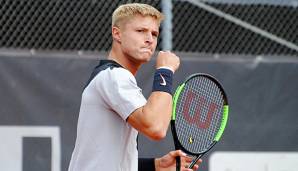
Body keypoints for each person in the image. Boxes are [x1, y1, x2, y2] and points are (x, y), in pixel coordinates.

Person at [68, 3, 202, 171]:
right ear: (117, 34)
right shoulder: (114, 76)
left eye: (154, 33)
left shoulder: (110, 77)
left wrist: (156, 166)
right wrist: (165, 71)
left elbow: (106, 160)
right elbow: (156, 127)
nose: (150, 39)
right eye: (141, 31)